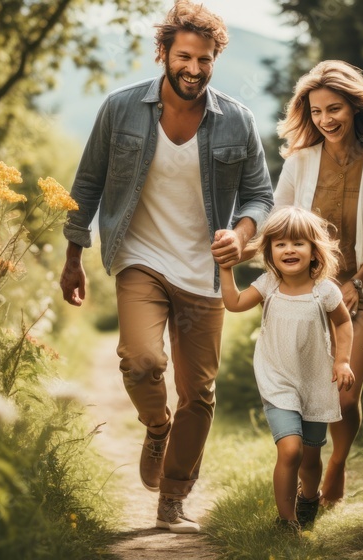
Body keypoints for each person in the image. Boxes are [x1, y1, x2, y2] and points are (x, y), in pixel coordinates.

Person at [59, 0, 273, 534]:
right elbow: (86, 184)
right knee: (139, 360)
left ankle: (173, 500)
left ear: (215, 58)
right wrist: (73, 255)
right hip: (140, 258)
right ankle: (157, 427)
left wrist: (242, 235)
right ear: (163, 53)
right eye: (184, 57)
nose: (194, 69)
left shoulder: (238, 121)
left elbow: (260, 197)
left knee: (199, 392)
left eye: (204, 60)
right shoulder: (121, 109)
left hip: (206, 272)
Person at [274, 60, 363, 505]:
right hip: (306, 292)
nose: (325, 120)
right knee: (312, 397)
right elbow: (278, 223)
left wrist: (358, 281)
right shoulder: (300, 161)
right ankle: (307, 476)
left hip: (360, 292)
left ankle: (338, 463)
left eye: (334, 109)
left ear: (355, 106)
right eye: (315, 112)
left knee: (345, 397)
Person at [217, 206, 355, 532]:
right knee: (290, 450)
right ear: (269, 252)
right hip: (277, 378)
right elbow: (234, 303)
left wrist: (342, 360)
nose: (289, 249)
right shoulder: (268, 285)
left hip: (316, 382)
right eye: (280, 244)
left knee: (309, 458)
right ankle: (287, 522)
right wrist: (225, 269)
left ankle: (309, 497)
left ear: (313, 251)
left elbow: (344, 324)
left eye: (298, 243)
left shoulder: (325, 290)